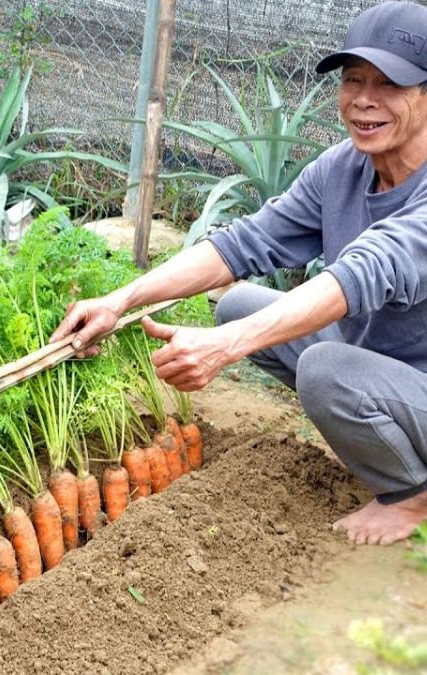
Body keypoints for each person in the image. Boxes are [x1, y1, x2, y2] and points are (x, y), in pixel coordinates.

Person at [49, 0, 427, 546]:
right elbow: (245, 243)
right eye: (353, 80)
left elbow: (357, 276)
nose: (364, 100)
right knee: (240, 305)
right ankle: (381, 437)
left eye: (389, 84)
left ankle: (412, 495)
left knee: (321, 367)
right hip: (386, 366)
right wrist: (121, 299)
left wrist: (223, 348)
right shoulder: (342, 167)